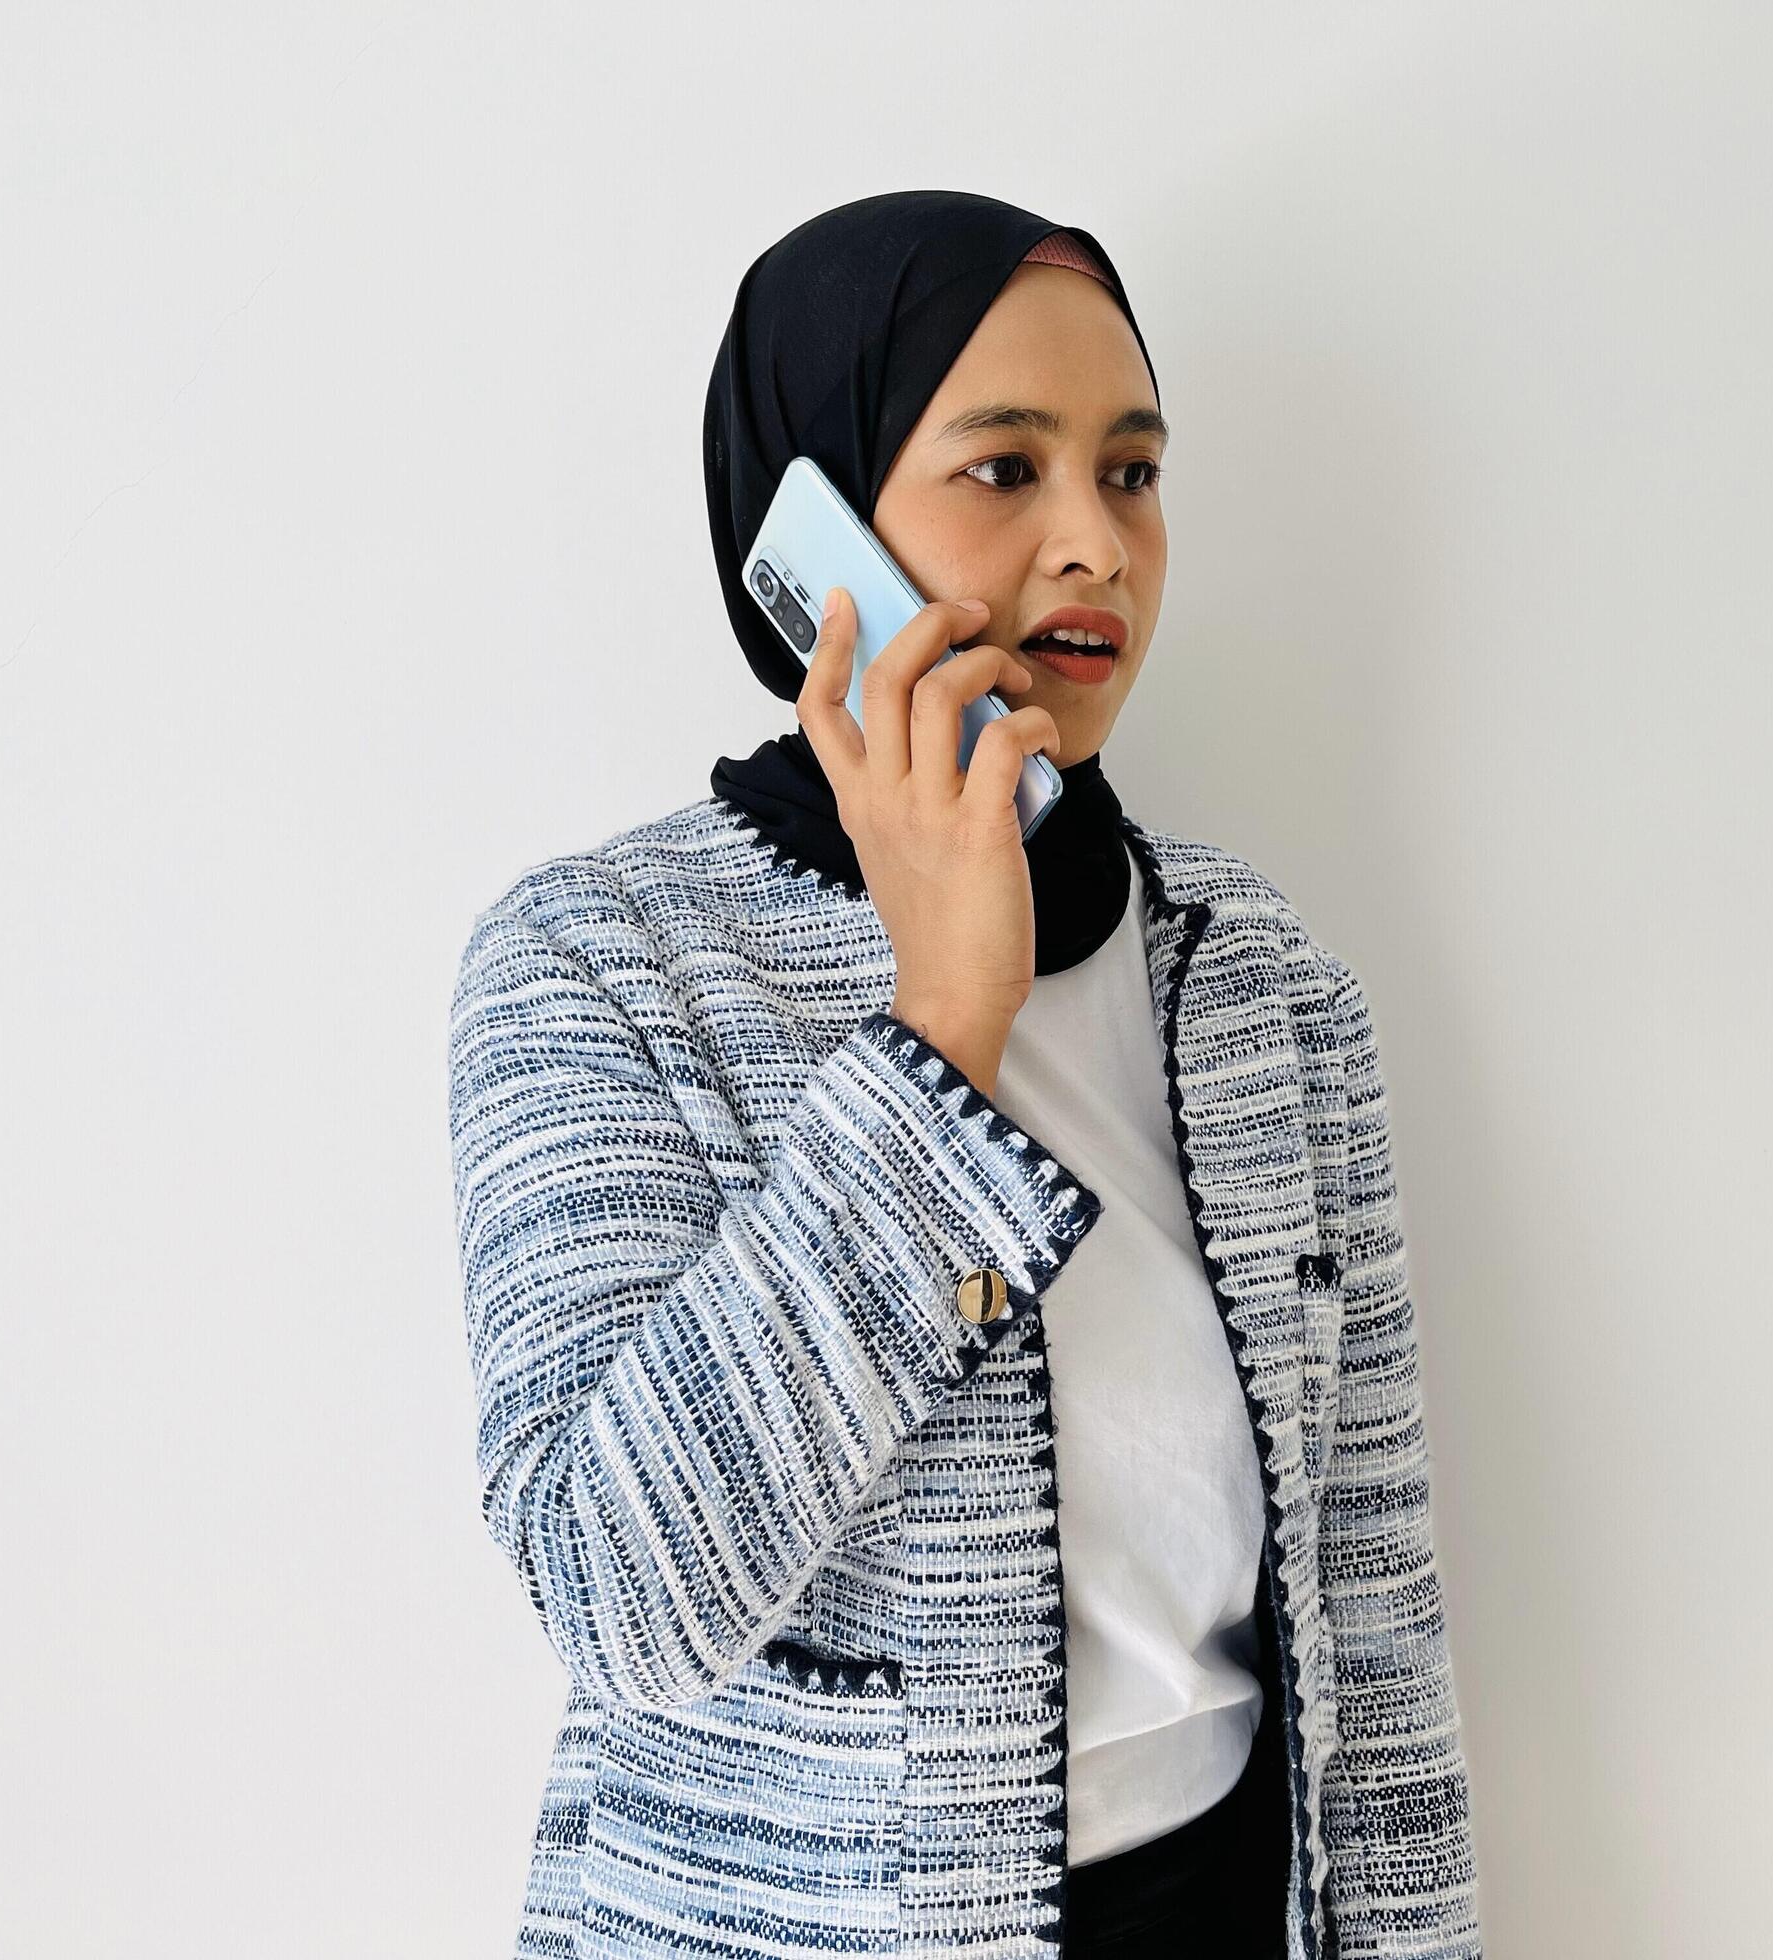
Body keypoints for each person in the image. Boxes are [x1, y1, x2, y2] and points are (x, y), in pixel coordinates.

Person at [447, 189, 1483, 1960]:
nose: (1092, 543)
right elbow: (621, 1595)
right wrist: (942, 1018)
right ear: (812, 526)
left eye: (1133, 473)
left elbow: (1368, 1605)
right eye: (1004, 471)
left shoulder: (1267, 984)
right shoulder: (595, 962)